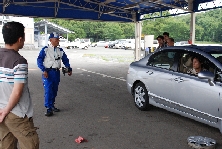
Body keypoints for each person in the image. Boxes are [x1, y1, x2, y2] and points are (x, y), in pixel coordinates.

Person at [0, 22, 39, 149]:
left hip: (1, 111)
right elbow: (17, 92)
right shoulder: (19, 61)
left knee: (6, 144)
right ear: (20, 39)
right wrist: (6, 110)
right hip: (16, 113)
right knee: (30, 144)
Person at [37, 32, 72, 117]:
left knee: (54, 90)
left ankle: (52, 105)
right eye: (56, 39)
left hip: (56, 72)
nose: (58, 41)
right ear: (51, 40)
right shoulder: (45, 49)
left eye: (58, 39)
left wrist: (69, 68)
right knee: (48, 90)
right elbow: (39, 60)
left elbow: (65, 60)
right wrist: (43, 70)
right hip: (48, 73)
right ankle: (48, 108)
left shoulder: (60, 50)